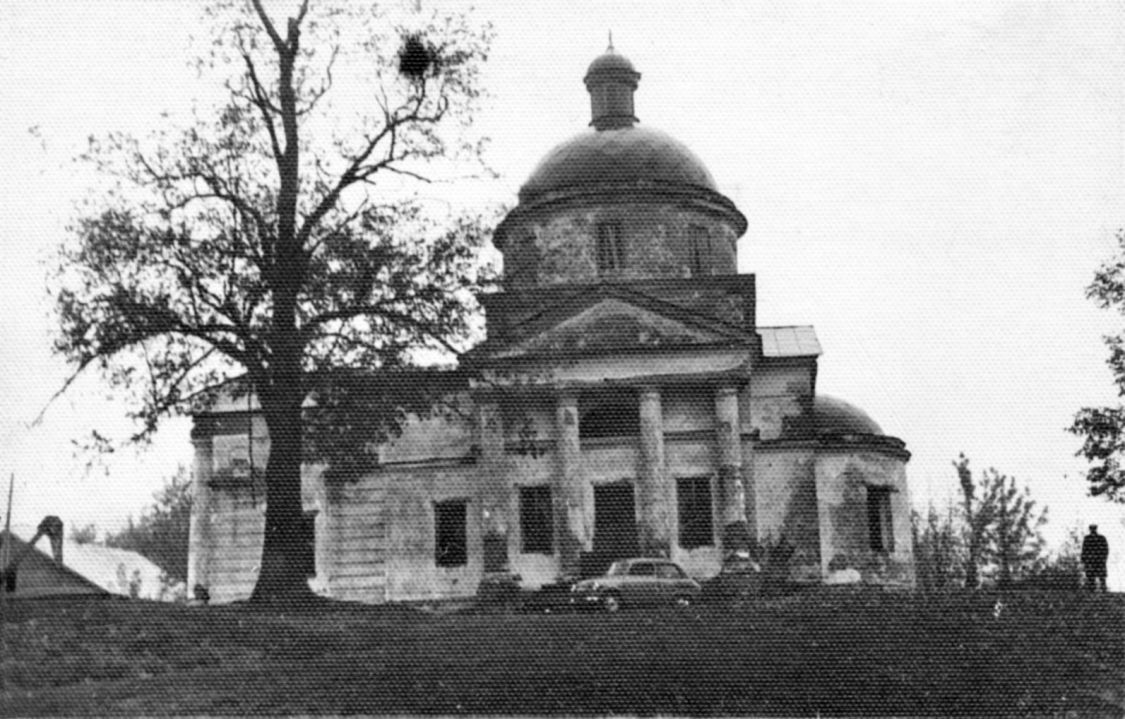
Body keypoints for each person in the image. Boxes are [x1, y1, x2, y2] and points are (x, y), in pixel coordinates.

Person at [1081, 524, 1110, 592]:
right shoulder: (1100, 538)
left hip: (1095, 559)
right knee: (1095, 576)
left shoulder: (1088, 538)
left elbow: (1105, 549)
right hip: (1096, 559)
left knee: (1097, 576)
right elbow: (1084, 549)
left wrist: (1084, 558)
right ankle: (1099, 589)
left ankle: (1099, 589)